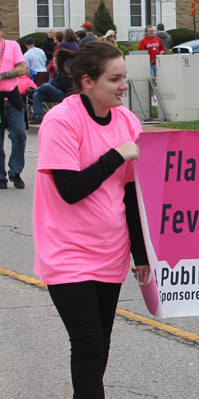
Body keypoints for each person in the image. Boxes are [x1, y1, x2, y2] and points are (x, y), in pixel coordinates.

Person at [33, 41, 150, 398]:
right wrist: (115, 155)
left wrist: (141, 254)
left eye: (124, 78)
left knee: (100, 345)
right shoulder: (61, 121)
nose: (124, 86)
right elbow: (70, 188)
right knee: (87, 345)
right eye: (114, 79)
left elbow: (131, 195)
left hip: (110, 253)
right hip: (67, 253)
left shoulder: (128, 121)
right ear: (86, 82)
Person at [0, 20, 28, 190]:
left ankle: (15, 172)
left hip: (12, 98)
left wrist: (2, 75)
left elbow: (22, 69)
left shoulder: (12, 46)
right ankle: (0, 177)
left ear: (1, 31)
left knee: (19, 134)